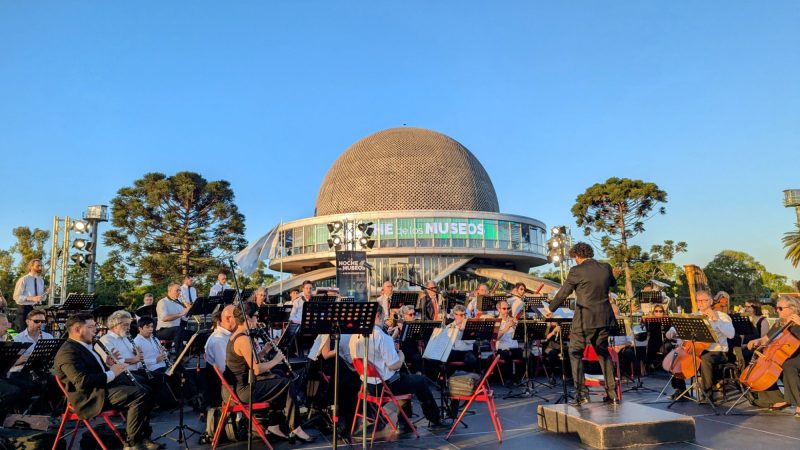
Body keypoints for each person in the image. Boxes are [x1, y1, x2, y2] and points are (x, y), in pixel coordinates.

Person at [54, 312, 161, 450]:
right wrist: (112, 372)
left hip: (101, 388)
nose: (95, 330)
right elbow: (82, 381)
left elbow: (96, 370)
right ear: (77, 329)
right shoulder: (67, 352)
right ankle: (132, 443)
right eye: (91, 327)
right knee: (140, 394)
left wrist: (108, 364)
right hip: (90, 396)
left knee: (146, 387)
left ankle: (143, 437)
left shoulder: (85, 346)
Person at [223, 302, 315, 443]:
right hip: (242, 391)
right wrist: (276, 360)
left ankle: (274, 425)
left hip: (237, 388)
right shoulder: (243, 339)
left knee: (277, 377)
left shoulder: (238, 336)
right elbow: (257, 369)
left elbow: (248, 361)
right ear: (247, 318)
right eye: (256, 317)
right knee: (286, 383)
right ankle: (295, 428)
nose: (257, 320)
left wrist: (264, 351)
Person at [545, 242, 618, 406]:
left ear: (577, 256)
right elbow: (612, 283)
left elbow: (563, 292)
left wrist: (551, 309)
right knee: (603, 353)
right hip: (605, 318)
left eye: (575, 258)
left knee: (575, 353)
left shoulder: (577, 270)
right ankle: (612, 394)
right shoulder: (606, 267)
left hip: (585, 319)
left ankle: (582, 395)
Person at [348, 307, 443, 429]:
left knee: (406, 379)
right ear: (377, 315)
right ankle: (435, 419)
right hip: (384, 387)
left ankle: (404, 423)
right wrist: (401, 355)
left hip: (367, 385)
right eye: (383, 317)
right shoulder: (381, 336)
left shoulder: (354, 336)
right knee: (420, 381)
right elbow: (394, 365)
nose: (384, 320)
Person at [665, 290, 735, 401]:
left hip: (718, 351)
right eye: (698, 301)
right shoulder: (694, 315)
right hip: (697, 348)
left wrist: (716, 320)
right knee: (677, 357)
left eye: (704, 300)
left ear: (711, 301)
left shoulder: (722, 316)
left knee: (704, 358)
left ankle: (707, 393)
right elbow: (680, 326)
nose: (701, 303)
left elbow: (731, 334)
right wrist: (672, 330)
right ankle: (681, 389)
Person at [744, 295, 800, 415]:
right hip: (783, 354)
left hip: (797, 355)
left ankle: (799, 404)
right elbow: (766, 338)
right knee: (761, 365)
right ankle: (778, 399)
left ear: (793, 308)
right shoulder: (779, 323)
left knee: (789, 366)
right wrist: (758, 341)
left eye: (780, 308)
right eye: (777, 308)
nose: (777, 311)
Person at [202, 306, 237, 409]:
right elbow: (224, 368)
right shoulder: (219, 340)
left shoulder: (225, 336)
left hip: (227, 378)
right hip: (223, 387)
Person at [155, 283, 190, 356]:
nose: (179, 292)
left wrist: (189, 310)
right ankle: (179, 359)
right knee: (179, 330)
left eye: (180, 290)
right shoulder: (162, 302)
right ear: (169, 290)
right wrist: (181, 314)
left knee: (195, 334)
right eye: (177, 290)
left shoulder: (178, 304)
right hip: (162, 331)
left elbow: (184, 318)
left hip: (177, 331)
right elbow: (164, 318)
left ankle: (190, 352)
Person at [12, 259, 47, 331]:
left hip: (37, 309)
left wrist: (46, 293)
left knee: (36, 333)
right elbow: (16, 297)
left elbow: (42, 299)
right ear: (31, 267)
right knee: (23, 334)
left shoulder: (41, 280)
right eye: (38, 266)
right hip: (24, 309)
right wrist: (31, 298)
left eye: (41, 266)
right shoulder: (23, 279)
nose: (40, 268)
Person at [495, 300, 522, 381]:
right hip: (502, 349)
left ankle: (519, 378)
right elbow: (496, 337)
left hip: (514, 347)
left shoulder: (512, 320)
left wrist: (516, 327)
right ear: (499, 310)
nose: (507, 311)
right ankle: (509, 379)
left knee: (527, 355)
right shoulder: (496, 322)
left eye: (508, 308)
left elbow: (520, 335)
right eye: (504, 309)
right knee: (508, 355)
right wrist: (506, 327)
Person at [447, 304, 478, 373]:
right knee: (442, 360)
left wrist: (463, 330)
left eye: (464, 314)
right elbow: (449, 342)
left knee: (472, 360)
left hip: (466, 351)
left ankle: (470, 379)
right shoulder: (449, 326)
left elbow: (470, 342)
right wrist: (457, 328)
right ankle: (446, 380)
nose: (463, 317)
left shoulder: (470, 326)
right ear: (455, 315)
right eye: (461, 315)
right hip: (454, 352)